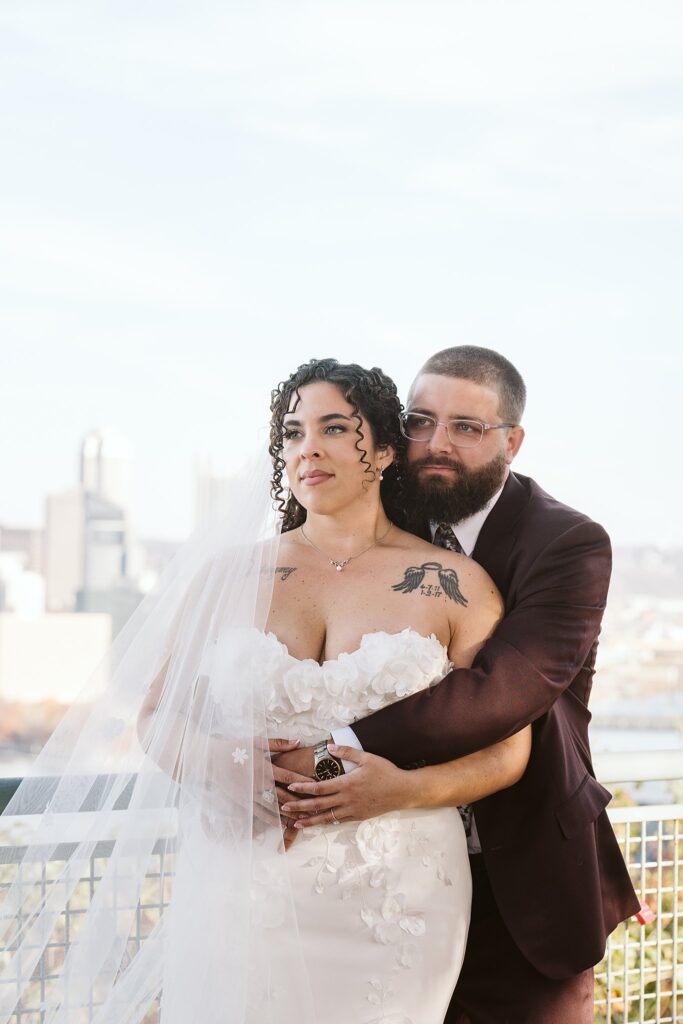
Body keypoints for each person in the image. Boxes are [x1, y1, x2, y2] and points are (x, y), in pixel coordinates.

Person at [0, 356, 529, 1024]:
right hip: (237, 878)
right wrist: (229, 767)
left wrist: (400, 789)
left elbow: (509, 752)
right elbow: (158, 716)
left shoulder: (454, 583)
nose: (307, 446)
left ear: (388, 450)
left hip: (398, 892)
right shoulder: (228, 577)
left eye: (335, 428)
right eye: (291, 432)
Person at [276, 346, 639, 1024]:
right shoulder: (373, 515)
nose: (436, 444)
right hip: (364, 881)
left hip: (523, 872)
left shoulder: (566, 542)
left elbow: (505, 689)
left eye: (466, 428)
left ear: (512, 441)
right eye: (421, 421)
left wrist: (333, 748)